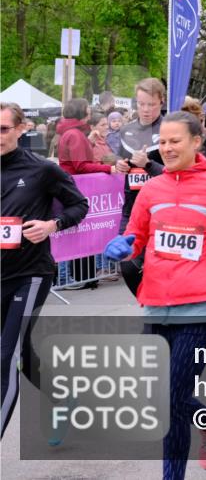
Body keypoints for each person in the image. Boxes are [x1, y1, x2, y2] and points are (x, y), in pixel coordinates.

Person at [103, 110, 206, 480]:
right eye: (162, 142)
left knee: (173, 398)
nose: (168, 147)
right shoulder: (152, 189)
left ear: (196, 142)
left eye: (175, 141)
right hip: (156, 303)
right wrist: (121, 247)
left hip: (201, 307)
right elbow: (136, 241)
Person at [1, 102, 89, 439]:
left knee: (5, 356)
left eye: (4, 129)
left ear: (22, 129)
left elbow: (79, 204)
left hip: (31, 273)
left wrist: (52, 225)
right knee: (21, 352)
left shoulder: (41, 170)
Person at [114, 78, 166, 232]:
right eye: (141, 104)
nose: (145, 109)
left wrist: (148, 165)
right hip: (131, 209)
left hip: (161, 209)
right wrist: (119, 165)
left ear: (161, 102)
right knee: (124, 254)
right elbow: (121, 159)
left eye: (151, 104)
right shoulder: (125, 130)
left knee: (150, 256)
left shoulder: (170, 130)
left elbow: (177, 175)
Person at [56, 99, 116, 175]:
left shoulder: (71, 131)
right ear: (81, 111)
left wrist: (89, 143)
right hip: (75, 181)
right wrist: (109, 168)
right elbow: (81, 166)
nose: (90, 110)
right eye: (87, 107)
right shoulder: (74, 134)